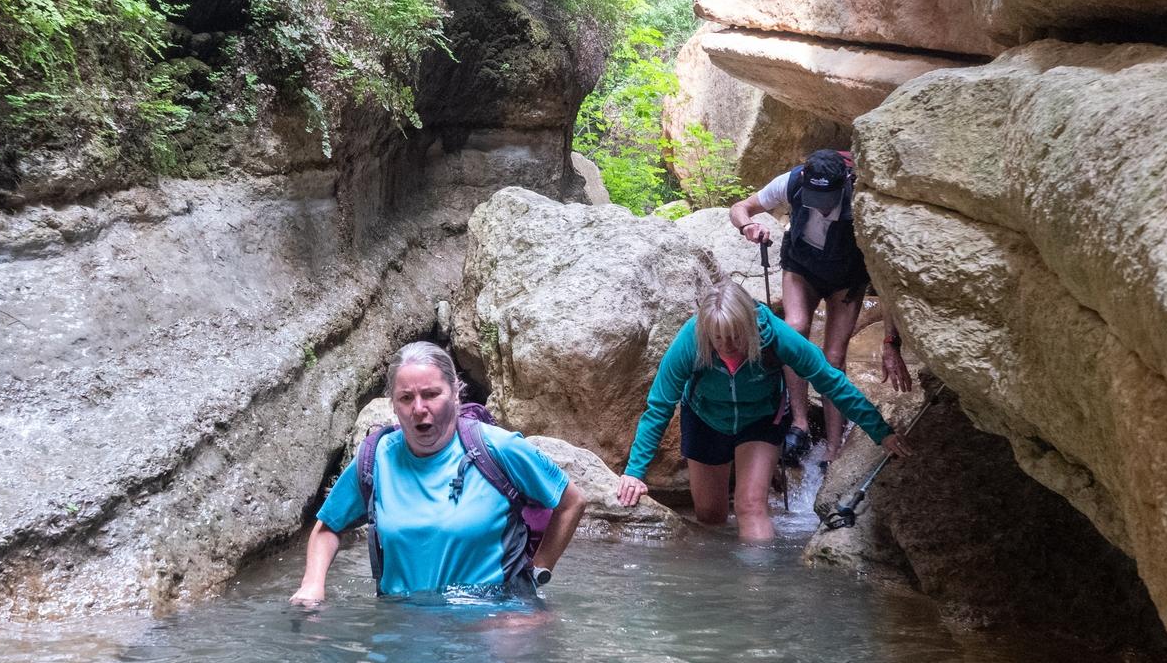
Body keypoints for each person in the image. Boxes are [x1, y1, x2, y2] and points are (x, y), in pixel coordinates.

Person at [615, 278, 909, 541]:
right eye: (718, 338)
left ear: (750, 325)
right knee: (709, 515)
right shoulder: (690, 340)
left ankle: (758, 583)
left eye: (735, 336)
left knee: (751, 505)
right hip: (705, 419)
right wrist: (634, 473)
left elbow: (830, 381)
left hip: (761, 419)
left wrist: (880, 432)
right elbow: (659, 407)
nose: (727, 346)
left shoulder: (776, 336)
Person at [291, 342, 587, 603]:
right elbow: (327, 527)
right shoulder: (376, 458)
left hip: (492, 623)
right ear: (393, 404)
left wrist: (536, 575)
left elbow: (571, 501)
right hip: (402, 626)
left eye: (431, 394)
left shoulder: (497, 448)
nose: (419, 408)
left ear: (455, 393)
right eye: (406, 398)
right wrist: (312, 585)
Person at [728, 148, 905, 465]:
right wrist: (747, 226)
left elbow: (887, 277)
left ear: (844, 184)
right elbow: (741, 207)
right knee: (794, 331)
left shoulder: (861, 200)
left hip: (846, 278)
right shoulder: (792, 182)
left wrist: (891, 342)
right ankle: (800, 424)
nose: (820, 207)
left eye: (827, 200)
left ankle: (834, 448)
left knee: (833, 358)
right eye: (814, 198)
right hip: (802, 268)